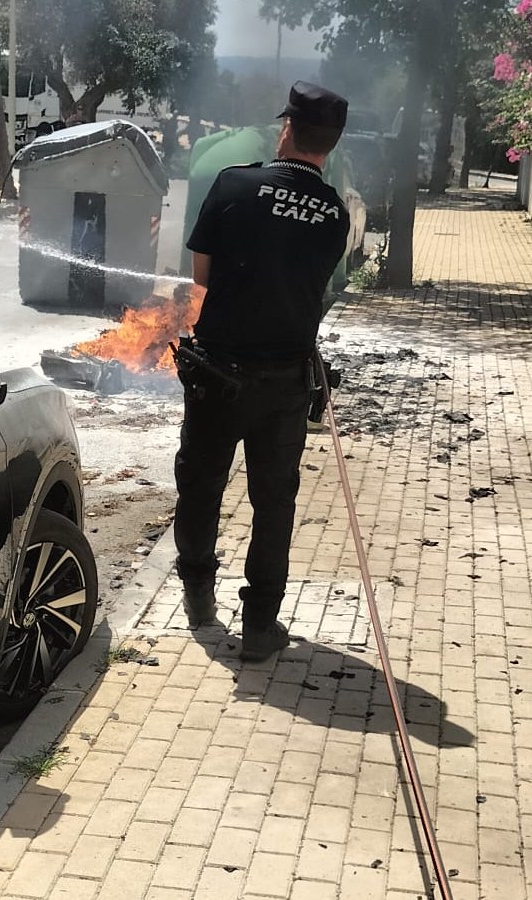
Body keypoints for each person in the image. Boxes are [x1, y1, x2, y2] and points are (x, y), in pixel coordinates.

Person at [173, 81, 351, 662]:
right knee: (274, 504)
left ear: (286, 129)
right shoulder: (334, 214)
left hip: (217, 375)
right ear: (331, 144)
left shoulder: (234, 184)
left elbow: (201, 277)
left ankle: (199, 600)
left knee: (201, 487)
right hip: (285, 383)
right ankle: (259, 626)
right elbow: (316, 288)